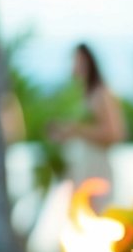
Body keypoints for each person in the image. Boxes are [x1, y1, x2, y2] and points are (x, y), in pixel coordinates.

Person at [48, 43, 126, 184]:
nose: (74, 66)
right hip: (83, 168)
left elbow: (114, 134)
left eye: (79, 61)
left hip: (97, 170)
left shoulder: (101, 94)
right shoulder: (82, 95)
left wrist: (76, 129)